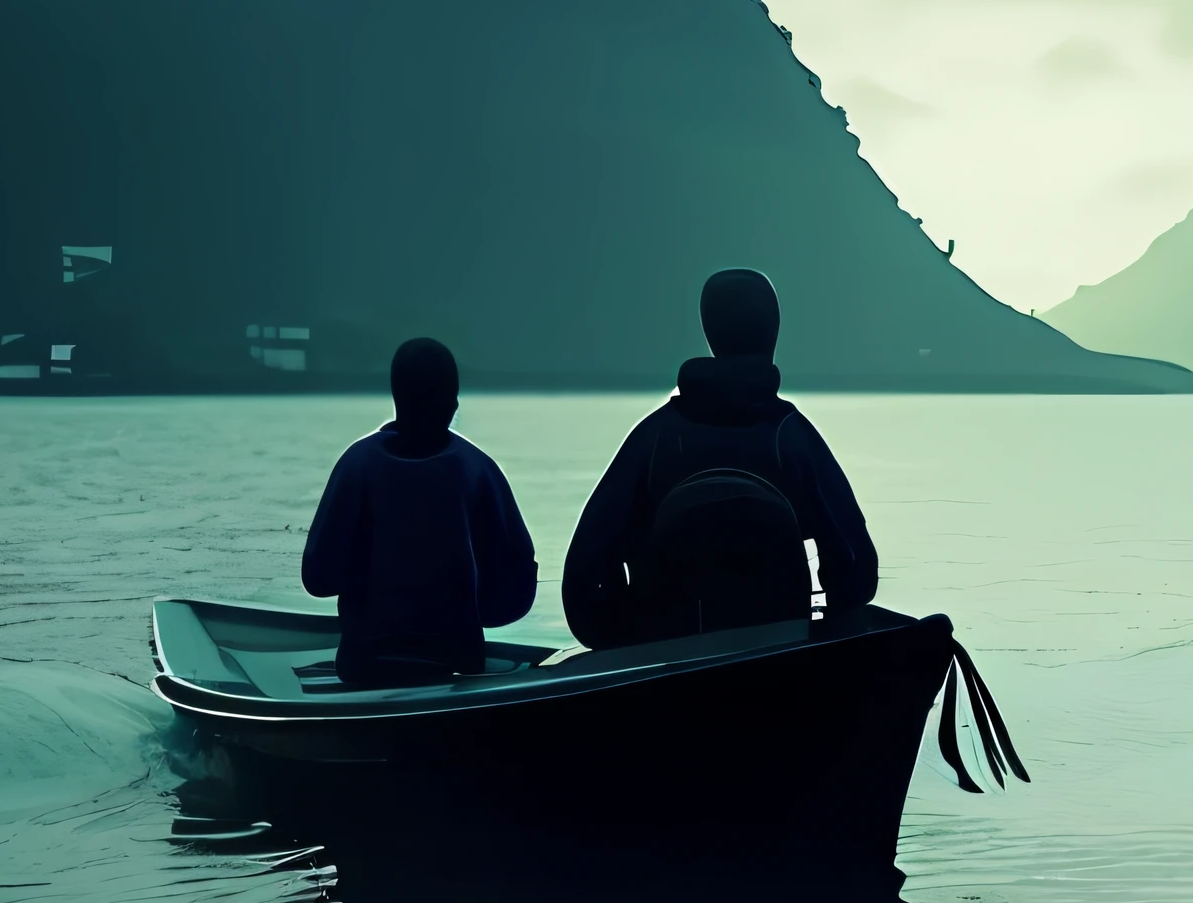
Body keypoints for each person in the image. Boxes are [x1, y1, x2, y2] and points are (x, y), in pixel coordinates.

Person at [562, 268, 879, 649]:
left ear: (709, 331)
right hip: (783, 655)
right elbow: (858, 570)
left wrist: (623, 642)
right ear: (772, 333)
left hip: (663, 656)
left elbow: (583, 572)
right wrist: (828, 633)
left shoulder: (655, 437)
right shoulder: (792, 437)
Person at [301, 337, 538, 684]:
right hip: (456, 661)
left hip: (366, 663)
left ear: (397, 396)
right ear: (454, 402)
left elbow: (317, 580)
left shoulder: (356, 466)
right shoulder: (478, 469)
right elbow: (515, 594)